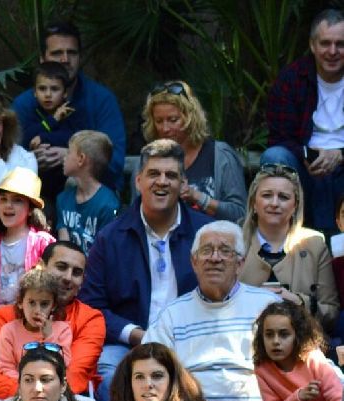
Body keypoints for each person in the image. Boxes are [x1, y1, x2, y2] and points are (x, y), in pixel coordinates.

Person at [144, 221, 315, 401]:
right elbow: (146, 367)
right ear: (194, 261)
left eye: (225, 250)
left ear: (240, 262)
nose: (214, 257)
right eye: (207, 250)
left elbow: (304, 359)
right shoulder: (173, 314)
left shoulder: (265, 307)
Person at [82, 139, 214, 401]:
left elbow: (224, 296)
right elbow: (92, 306)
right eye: (154, 174)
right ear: (139, 180)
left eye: (171, 175)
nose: (162, 182)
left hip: (194, 340)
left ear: (183, 184)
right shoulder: (111, 237)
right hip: (129, 344)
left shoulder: (207, 234)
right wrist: (137, 335)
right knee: (109, 377)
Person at [12, 21, 128, 190]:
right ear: (42, 58)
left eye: (71, 53)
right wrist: (32, 160)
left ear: (79, 57)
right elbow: (6, 159)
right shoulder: (24, 104)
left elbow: (115, 161)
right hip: (38, 196)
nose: (65, 59)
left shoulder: (101, 99)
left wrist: (73, 157)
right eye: (57, 53)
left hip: (92, 198)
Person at [0, 240, 104, 399]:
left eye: (77, 272)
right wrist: (32, 396)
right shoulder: (4, 318)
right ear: (40, 266)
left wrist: (37, 396)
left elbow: (75, 377)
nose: (68, 277)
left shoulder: (91, 319)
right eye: (61, 267)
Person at [263, 9, 344, 233]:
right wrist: (308, 153)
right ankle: (281, 237)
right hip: (305, 160)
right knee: (274, 157)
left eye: (340, 44)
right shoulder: (292, 78)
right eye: (325, 43)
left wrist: (339, 153)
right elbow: (279, 137)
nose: (333, 51)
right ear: (312, 45)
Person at [238, 164, 339, 335]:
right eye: (267, 195)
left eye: (283, 197)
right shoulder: (233, 242)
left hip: (303, 346)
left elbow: (331, 313)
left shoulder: (315, 244)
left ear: (295, 206)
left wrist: (298, 302)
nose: (275, 203)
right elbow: (218, 305)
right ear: (254, 203)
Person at [137, 81, 246, 223]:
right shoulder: (148, 158)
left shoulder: (219, 155)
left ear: (190, 118)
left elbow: (240, 213)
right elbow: (136, 213)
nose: (165, 128)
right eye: (158, 121)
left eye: (173, 120)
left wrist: (196, 196)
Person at [0, 168, 55, 314]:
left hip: (33, 316)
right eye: (3, 199)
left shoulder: (43, 242)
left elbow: (52, 283)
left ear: (30, 210)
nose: (8, 205)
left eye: (17, 200)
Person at [0, 269, 71, 387]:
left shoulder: (63, 330)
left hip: (51, 391)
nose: (37, 310)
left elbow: (63, 364)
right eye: (31, 302)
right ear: (20, 303)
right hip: (18, 390)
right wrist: (28, 385)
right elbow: (5, 366)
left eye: (44, 304)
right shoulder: (9, 331)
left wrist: (49, 337)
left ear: (53, 306)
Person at [55, 130, 119, 252]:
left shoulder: (108, 204)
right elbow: (64, 248)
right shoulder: (63, 199)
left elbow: (107, 250)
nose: (64, 157)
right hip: (70, 266)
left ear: (81, 159)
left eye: (69, 152)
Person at [25, 62, 77, 211]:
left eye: (54, 89)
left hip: (66, 183)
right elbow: (28, 136)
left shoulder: (70, 113)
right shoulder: (31, 113)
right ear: (34, 92)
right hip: (39, 186)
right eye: (42, 88)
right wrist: (53, 120)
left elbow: (73, 138)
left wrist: (45, 138)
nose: (48, 94)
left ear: (65, 92)